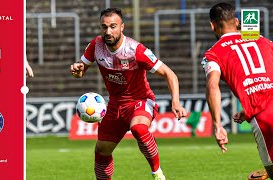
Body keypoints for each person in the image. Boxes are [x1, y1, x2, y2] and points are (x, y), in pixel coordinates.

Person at [70, 7, 187, 180]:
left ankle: (157, 173)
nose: (108, 31)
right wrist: (77, 69)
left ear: (122, 27)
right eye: (104, 27)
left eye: (113, 26)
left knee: (138, 128)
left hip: (141, 100)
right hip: (115, 105)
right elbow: (81, 71)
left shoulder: (135, 50)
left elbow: (170, 74)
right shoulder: (96, 45)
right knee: (102, 150)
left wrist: (175, 102)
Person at [201, 2, 273, 179]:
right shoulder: (263, 40)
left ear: (212, 25)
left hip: (264, 116)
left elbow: (212, 86)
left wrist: (218, 125)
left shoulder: (213, 54)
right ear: (237, 21)